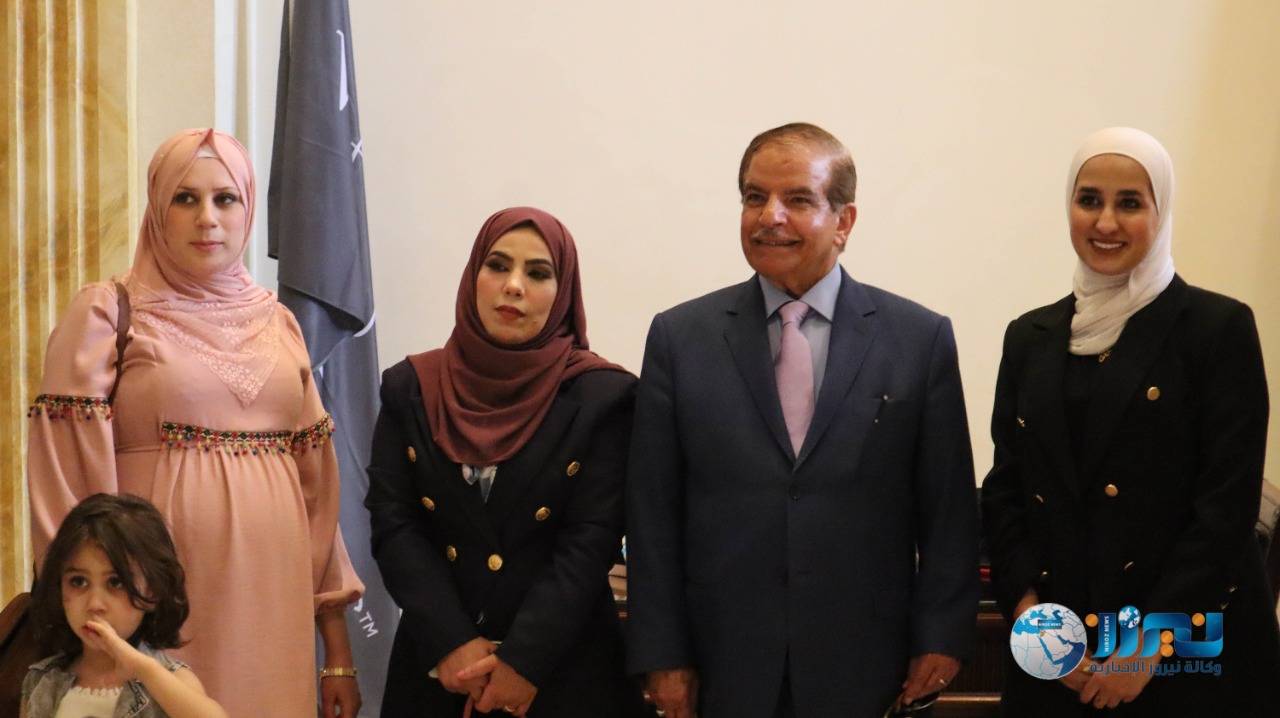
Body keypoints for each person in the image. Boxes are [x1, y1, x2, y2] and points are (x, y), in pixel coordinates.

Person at [625, 122, 980, 717]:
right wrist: (662, 653)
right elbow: (652, 514)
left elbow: (947, 511)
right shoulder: (679, 338)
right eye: (754, 197)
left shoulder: (918, 340)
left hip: (868, 662)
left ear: (844, 221)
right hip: (722, 662)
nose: (770, 216)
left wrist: (942, 634)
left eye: (797, 199)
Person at [26, 128, 364, 717]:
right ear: (158, 208)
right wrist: (88, 613)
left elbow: (318, 493)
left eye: (224, 198)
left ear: (247, 208)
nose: (207, 218)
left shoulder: (279, 322)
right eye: (185, 198)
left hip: (274, 598)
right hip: (159, 596)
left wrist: (336, 648)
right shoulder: (107, 311)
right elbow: (65, 477)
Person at [982, 126, 1280, 714]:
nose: (1105, 222)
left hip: (1184, 651)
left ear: (1161, 211)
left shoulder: (1215, 329)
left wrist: (1144, 648)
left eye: (1130, 203)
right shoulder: (1030, 336)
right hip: (1060, 652)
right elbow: (1006, 487)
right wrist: (1031, 619)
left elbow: (1225, 509)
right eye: (1089, 199)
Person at [365, 207, 648, 717]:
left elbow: (590, 541)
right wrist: (452, 643)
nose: (513, 286)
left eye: (538, 273)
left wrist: (523, 662)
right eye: (497, 266)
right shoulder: (410, 387)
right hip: (440, 670)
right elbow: (395, 523)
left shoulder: (603, 397)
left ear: (563, 293)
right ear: (473, 276)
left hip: (563, 673)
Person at [22, 493, 227, 718]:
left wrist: (143, 669)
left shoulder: (171, 681)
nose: (95, 604)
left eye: (116, 582)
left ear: (153, 591)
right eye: (78, 582)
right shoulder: (41, 681)